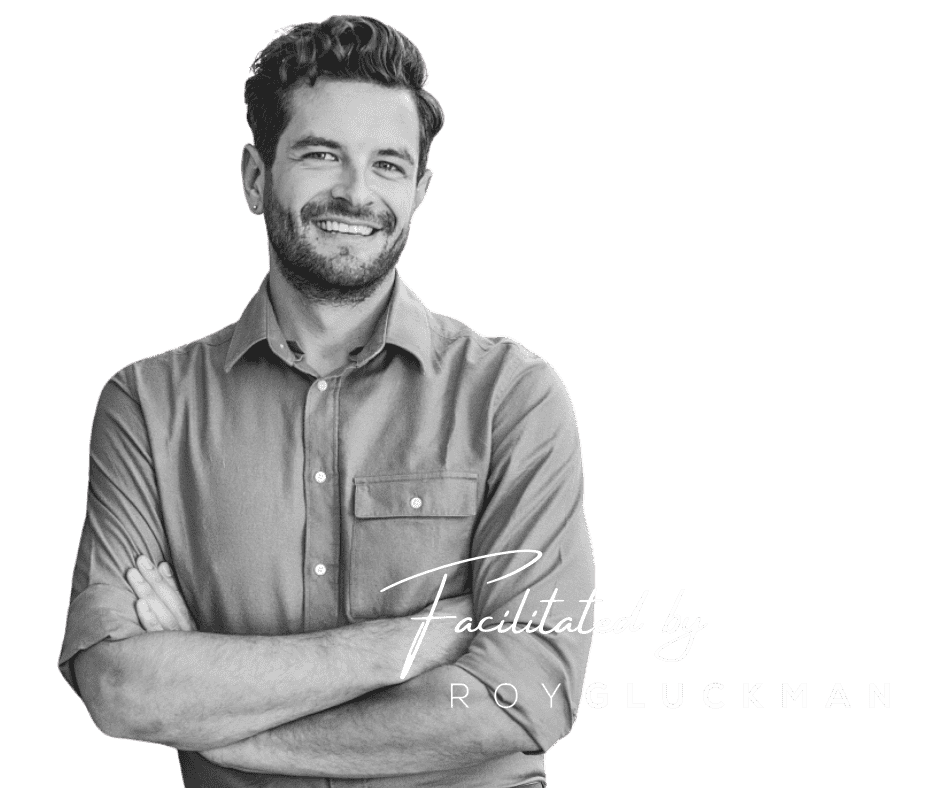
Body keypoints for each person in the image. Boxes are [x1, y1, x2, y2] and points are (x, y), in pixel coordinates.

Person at [58, 15, 595, 787]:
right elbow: (119, 688)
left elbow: (525, 696)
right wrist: (408, 642)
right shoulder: (147, 405)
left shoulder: (513, 395)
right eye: (321, 155)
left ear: (420, 192)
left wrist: (227, 734)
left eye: (387, 165)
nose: (356, 191)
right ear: (253, 176)